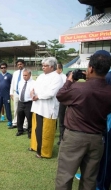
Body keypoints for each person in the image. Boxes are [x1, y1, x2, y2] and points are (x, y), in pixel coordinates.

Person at [55, 50, 111, 190]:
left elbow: (61, 96)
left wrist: (69, 81)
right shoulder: (109, 91)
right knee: (89, 180)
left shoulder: (78, 88)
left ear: (90, 68)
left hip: (75, 138)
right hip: (97, 139)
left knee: (65, 177)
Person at [29, 57, 63, 158]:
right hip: (38, 107)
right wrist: (32, 92)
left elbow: (51, 93)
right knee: (37, 129)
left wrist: (38, 96)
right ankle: (35, 147)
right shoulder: (40, 76)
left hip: (48, 109)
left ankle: (44, 152)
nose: (43, 67)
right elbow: (35, 87)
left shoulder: (57, 78)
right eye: (42, 65)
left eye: (45, 66)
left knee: (46, 132)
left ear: (52, 67)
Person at [16, 69, 35, 138]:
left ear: (30, 75)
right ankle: (20, 130)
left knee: (29, 118)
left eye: (26, 75)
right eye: (23, 75)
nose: (24, 77)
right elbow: (19, 90)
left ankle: (30, 132)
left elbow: (34, 92)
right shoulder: (20, 82)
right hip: (21, 102)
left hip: (29, 103)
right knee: (20, 117)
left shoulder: (33, 83)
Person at [0, 63, 13, 127]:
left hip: (6, 94)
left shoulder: (9, 75)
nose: (3, 69)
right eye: (2, 68)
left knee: (7, 108)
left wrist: (11, 93)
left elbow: (12, 85)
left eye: (4, 67)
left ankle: (9, 120)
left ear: (6, 68)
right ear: (0, 69)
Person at [10, 59, 27, 128]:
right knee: (16, 108)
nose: (19, 65)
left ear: (23, 64)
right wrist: (11, 93)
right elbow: (12, 83)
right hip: (16, 93)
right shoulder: (15, 73)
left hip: (23, 93)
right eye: (18, 64)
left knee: (25, 109)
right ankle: (15, 123)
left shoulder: (27, 72)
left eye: (21, 64)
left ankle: (25, 125)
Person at [56, 63, 67, 145]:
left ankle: (61, 138)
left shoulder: (64, 78)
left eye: (56, 69)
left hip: (61, 102)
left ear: (60, 69)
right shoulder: (54, 77)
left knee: (61, 120)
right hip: (53, 101)